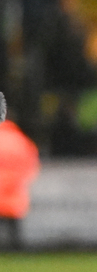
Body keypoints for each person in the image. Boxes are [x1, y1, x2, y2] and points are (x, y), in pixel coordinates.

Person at [0, 92, 40, 250]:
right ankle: (18, 252)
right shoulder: (21, 140)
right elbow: (32, 165)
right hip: (14, 192)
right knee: (13, 229)